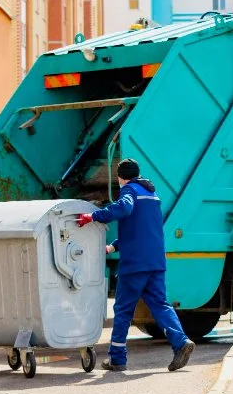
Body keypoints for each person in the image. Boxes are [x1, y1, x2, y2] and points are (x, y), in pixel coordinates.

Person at [77, 158, 195, 372]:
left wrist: (93, 216)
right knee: (160, 304)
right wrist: (112, 247)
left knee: (123, 309)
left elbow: (124, 208)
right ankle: (181, 342)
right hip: (155, 261)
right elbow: (141, 230)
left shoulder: (129, 190)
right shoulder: (151, 194)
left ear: (121, 177)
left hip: (135, 265)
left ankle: (117, 359)